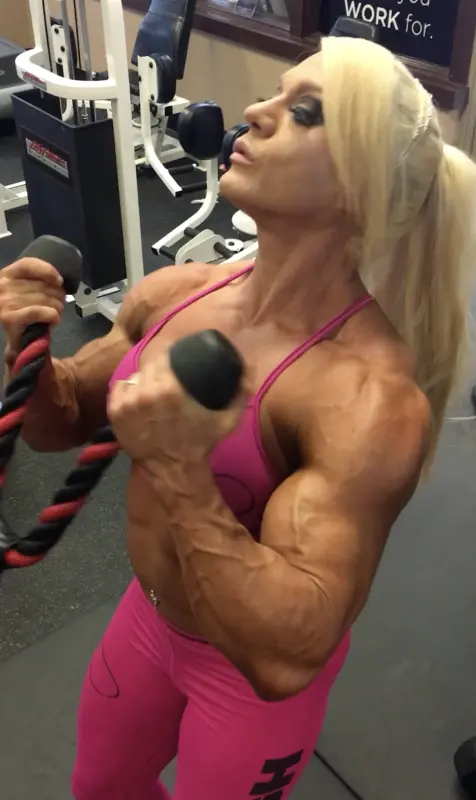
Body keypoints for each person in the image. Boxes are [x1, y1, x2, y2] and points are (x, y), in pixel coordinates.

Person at [1, 36, 475, 800]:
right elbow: (59, 423)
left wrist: (182, 474)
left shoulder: (367, 398)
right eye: (273, 95)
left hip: (247, 686)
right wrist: (27, 344)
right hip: (149, 620)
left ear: (361, 189)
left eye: (305, 112)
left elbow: (287, 656)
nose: (254, 112)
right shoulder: (178, 291)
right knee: (101, 788)